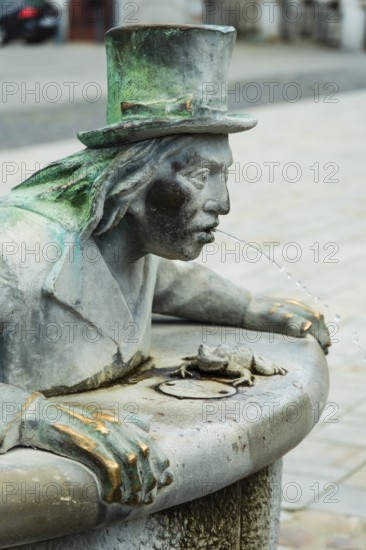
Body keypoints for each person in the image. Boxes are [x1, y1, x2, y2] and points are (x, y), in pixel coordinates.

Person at [0, 25, 330, 506]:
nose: (223, 204)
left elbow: (170, 282)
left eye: (224, 175)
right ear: (133, 182)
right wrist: (38, 418)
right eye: (201, 176)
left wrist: (247, 307)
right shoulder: (17, 254)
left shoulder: (130, 242)